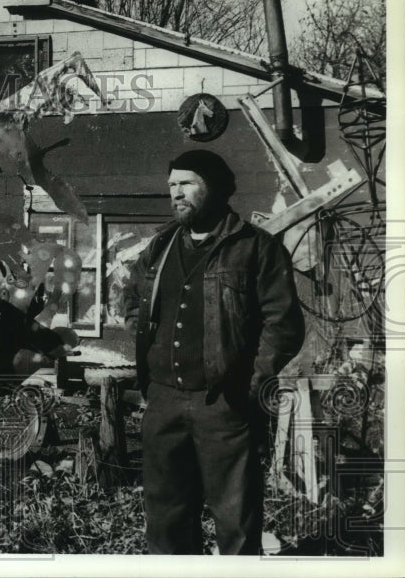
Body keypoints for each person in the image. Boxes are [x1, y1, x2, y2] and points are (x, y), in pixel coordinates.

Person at [124, 149, 305, 555]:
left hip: (226, 405)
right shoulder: (161, 246)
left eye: (186, 183)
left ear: (216, 187)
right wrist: (150, 359)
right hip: (164, 403)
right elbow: (132, 299)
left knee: (236, 523)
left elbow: (284, 326)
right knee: (166, 523)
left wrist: (251, 382)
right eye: (172, 185)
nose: (176, 193)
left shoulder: (255, 247)